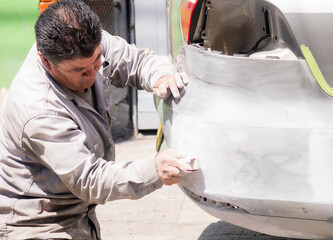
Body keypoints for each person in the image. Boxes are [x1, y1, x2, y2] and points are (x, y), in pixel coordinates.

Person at [0, 0, 192, 239]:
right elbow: (91, 179)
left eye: (97, 61)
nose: (93, 73)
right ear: (46, 61)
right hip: (36, 224)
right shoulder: (39, 110)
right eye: (80, 71)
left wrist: (162, 75)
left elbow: (138, 61)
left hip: (79, 213)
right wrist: (153, 169)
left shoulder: (90, 42)